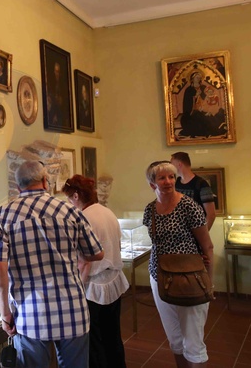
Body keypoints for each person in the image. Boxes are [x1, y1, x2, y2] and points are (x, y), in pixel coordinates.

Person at [0, 161, 105, 368]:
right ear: (44, 181)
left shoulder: (3, 214)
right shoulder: (69, 210)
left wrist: (5, 313)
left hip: (30, 312)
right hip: (72, 308)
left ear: (18, 187)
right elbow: (97, 253)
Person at [143, 161, 214, 368]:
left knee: (193, 340)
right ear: (152, 184)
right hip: (160, 276)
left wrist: (209, 282)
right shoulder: (150, 210)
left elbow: (207, 246)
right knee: (174, 337)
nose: (168, 181)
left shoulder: (188, 206)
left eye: (171, 177)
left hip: (189, 277)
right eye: (162, 178)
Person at [62, 175, 128, 368]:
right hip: (113, 280)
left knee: (94, 341)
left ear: (75, 196)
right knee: (113, 335)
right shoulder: (107, 211)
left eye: (68, 198)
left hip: (93, 287)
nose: (69, 203)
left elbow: (85, 261)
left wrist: (77, 290)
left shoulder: (83, 218)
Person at [170, 152, 216, 230]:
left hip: (196, 229)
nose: (171, 167)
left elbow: (211, 214)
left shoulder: (202, 184)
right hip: (179, 230)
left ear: (179, 164)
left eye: (172, 164)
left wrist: (203, 234)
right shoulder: (177, 182)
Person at [47, 62, 69, 127]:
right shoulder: (51, 83)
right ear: (54, 71)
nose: (57, 74)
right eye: (56, 71)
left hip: (60, 112)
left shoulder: (63, 85)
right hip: (53, 110)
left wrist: (61, 100)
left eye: (58, 72)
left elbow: (65, 101)